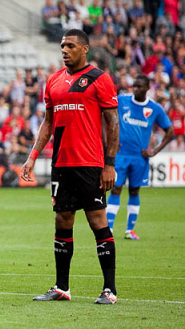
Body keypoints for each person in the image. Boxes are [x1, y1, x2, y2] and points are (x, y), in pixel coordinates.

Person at [21, 29, 120, 304]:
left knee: (97, 221)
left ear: (84, 49)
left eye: (71, 45)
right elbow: (48, 123)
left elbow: (113, 124)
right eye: (63, 45)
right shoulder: (53, 81)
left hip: (90, 163)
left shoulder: (100, 79)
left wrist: (109, 164)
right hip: (61, 164)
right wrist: (32, 156)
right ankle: (62, 287)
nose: (64, 50)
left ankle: (109, 290)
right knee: (62, 220)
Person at [106, 75, 174, 240]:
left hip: (139, 158)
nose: (135, 89)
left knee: (134, 191)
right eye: (134, 86)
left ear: (147, 87)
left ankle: (130, 230)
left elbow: (170, 131)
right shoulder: (122, 100)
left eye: (139, 86)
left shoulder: (155, 108)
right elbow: (105, 114)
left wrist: (155, 151)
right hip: (120, 155)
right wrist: (110, 140)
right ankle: (109, 229)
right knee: (116, 188)